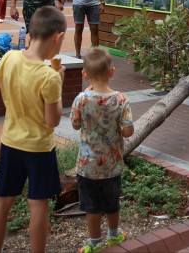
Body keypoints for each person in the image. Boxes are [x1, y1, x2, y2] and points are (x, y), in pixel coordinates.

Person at [0, 6, 67, 253]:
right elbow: (52, 120)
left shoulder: (9, 58)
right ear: (58, 37)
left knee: (2, 199)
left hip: (10, 144)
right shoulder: (50, 77)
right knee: (38, 204)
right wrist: (59, 86)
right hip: (39, 149)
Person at [70, 47, 134, 253]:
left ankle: (95, 243)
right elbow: (127, 132)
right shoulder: (122, 100)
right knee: (111, 202)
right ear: (112, 72)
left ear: (84, 74)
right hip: (112, 164)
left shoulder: (81, 99)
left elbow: (75, 125)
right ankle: (114, 235)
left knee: (92, 206)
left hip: (87, 166)